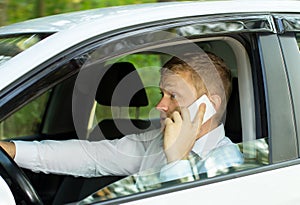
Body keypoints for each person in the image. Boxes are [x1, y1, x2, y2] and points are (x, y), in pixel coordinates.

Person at [0, 51, 243, 182]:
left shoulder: (228, 164)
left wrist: (176, 161)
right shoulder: (154, 142)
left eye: (173, 95)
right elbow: (90, 157)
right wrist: (12, 151)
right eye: (161, 93)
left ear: (208, 105)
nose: (159, 105)